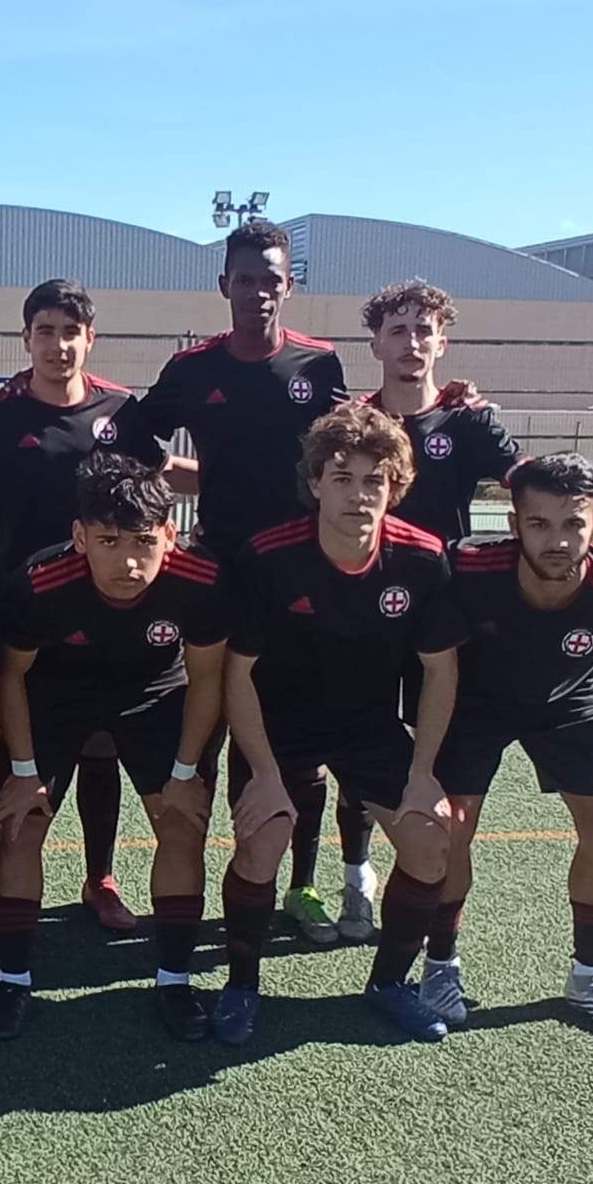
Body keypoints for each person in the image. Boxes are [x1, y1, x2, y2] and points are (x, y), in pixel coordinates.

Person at [0, 278, 170, 933]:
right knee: (18, 743)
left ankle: (100, 879)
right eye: (46, 332)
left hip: (105, 607)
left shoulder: (121, 410)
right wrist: (0, 512)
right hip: (23, 608)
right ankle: (7, 888)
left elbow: (157, 477)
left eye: (70, 332)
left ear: (90, 338)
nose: (59, 345)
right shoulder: (0, 414)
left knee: (102, 745)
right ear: (26, 339)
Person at [217, 403, 463, 1045]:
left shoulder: (422, 558)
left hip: (368, 726)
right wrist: (263, 774)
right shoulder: (270, 557)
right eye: (343, 478)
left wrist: (423, 773)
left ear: (395, 486)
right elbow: (237, 675)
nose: (359, 495)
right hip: (279, 725)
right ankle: (241, 984)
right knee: (264, 838)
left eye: (374, 480)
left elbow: (440, 672)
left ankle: (388, 984)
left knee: (430, 842)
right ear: (316, 483)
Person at [141, 220, 351, 947]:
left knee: (299, 738)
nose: (258, 291)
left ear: (288, 286)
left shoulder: (319, 364)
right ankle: (202, 882)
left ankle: (301, 884)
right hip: (220, 571)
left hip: (299, 576)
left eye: (271, 279)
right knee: (207, 728)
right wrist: (192, 481)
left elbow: (353, 450)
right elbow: (134, 437)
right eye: (245, 278)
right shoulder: (191, 369)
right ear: (223, 285)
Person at [430, 452, 593, 1043]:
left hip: (568, 702)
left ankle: (589, 979)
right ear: (514, 524)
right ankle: (439, 967)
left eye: (573, 524)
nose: (558, 541)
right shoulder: (466, 567)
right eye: (539, 524)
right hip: (474, 701)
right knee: (451, 824)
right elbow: (433, 658)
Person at [0, 454, 226, 1039]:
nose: (129, 561)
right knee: (21, 822)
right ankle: (12, 979)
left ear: (168, 534)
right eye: (109, 541)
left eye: (144, 541)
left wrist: (185, 772)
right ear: (80, 537)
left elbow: (207, 681)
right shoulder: (38, 583)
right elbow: (10, 677)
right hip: (56, 690)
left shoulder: (200, 580)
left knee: (181, 823)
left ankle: (174, 980)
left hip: (154, 690)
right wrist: (23, 770)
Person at [332, 280, 523, 940]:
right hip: (363, 610)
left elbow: (525, 479)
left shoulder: (468, 420)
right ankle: (356, 876)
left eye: (423, 331)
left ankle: (425, 882)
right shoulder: (354, 422)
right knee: (358, 749)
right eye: (398, 330)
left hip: (441, 614)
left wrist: (583, 520)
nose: (411, 342)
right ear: (375, 344)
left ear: (442, 343)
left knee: (435, 752)